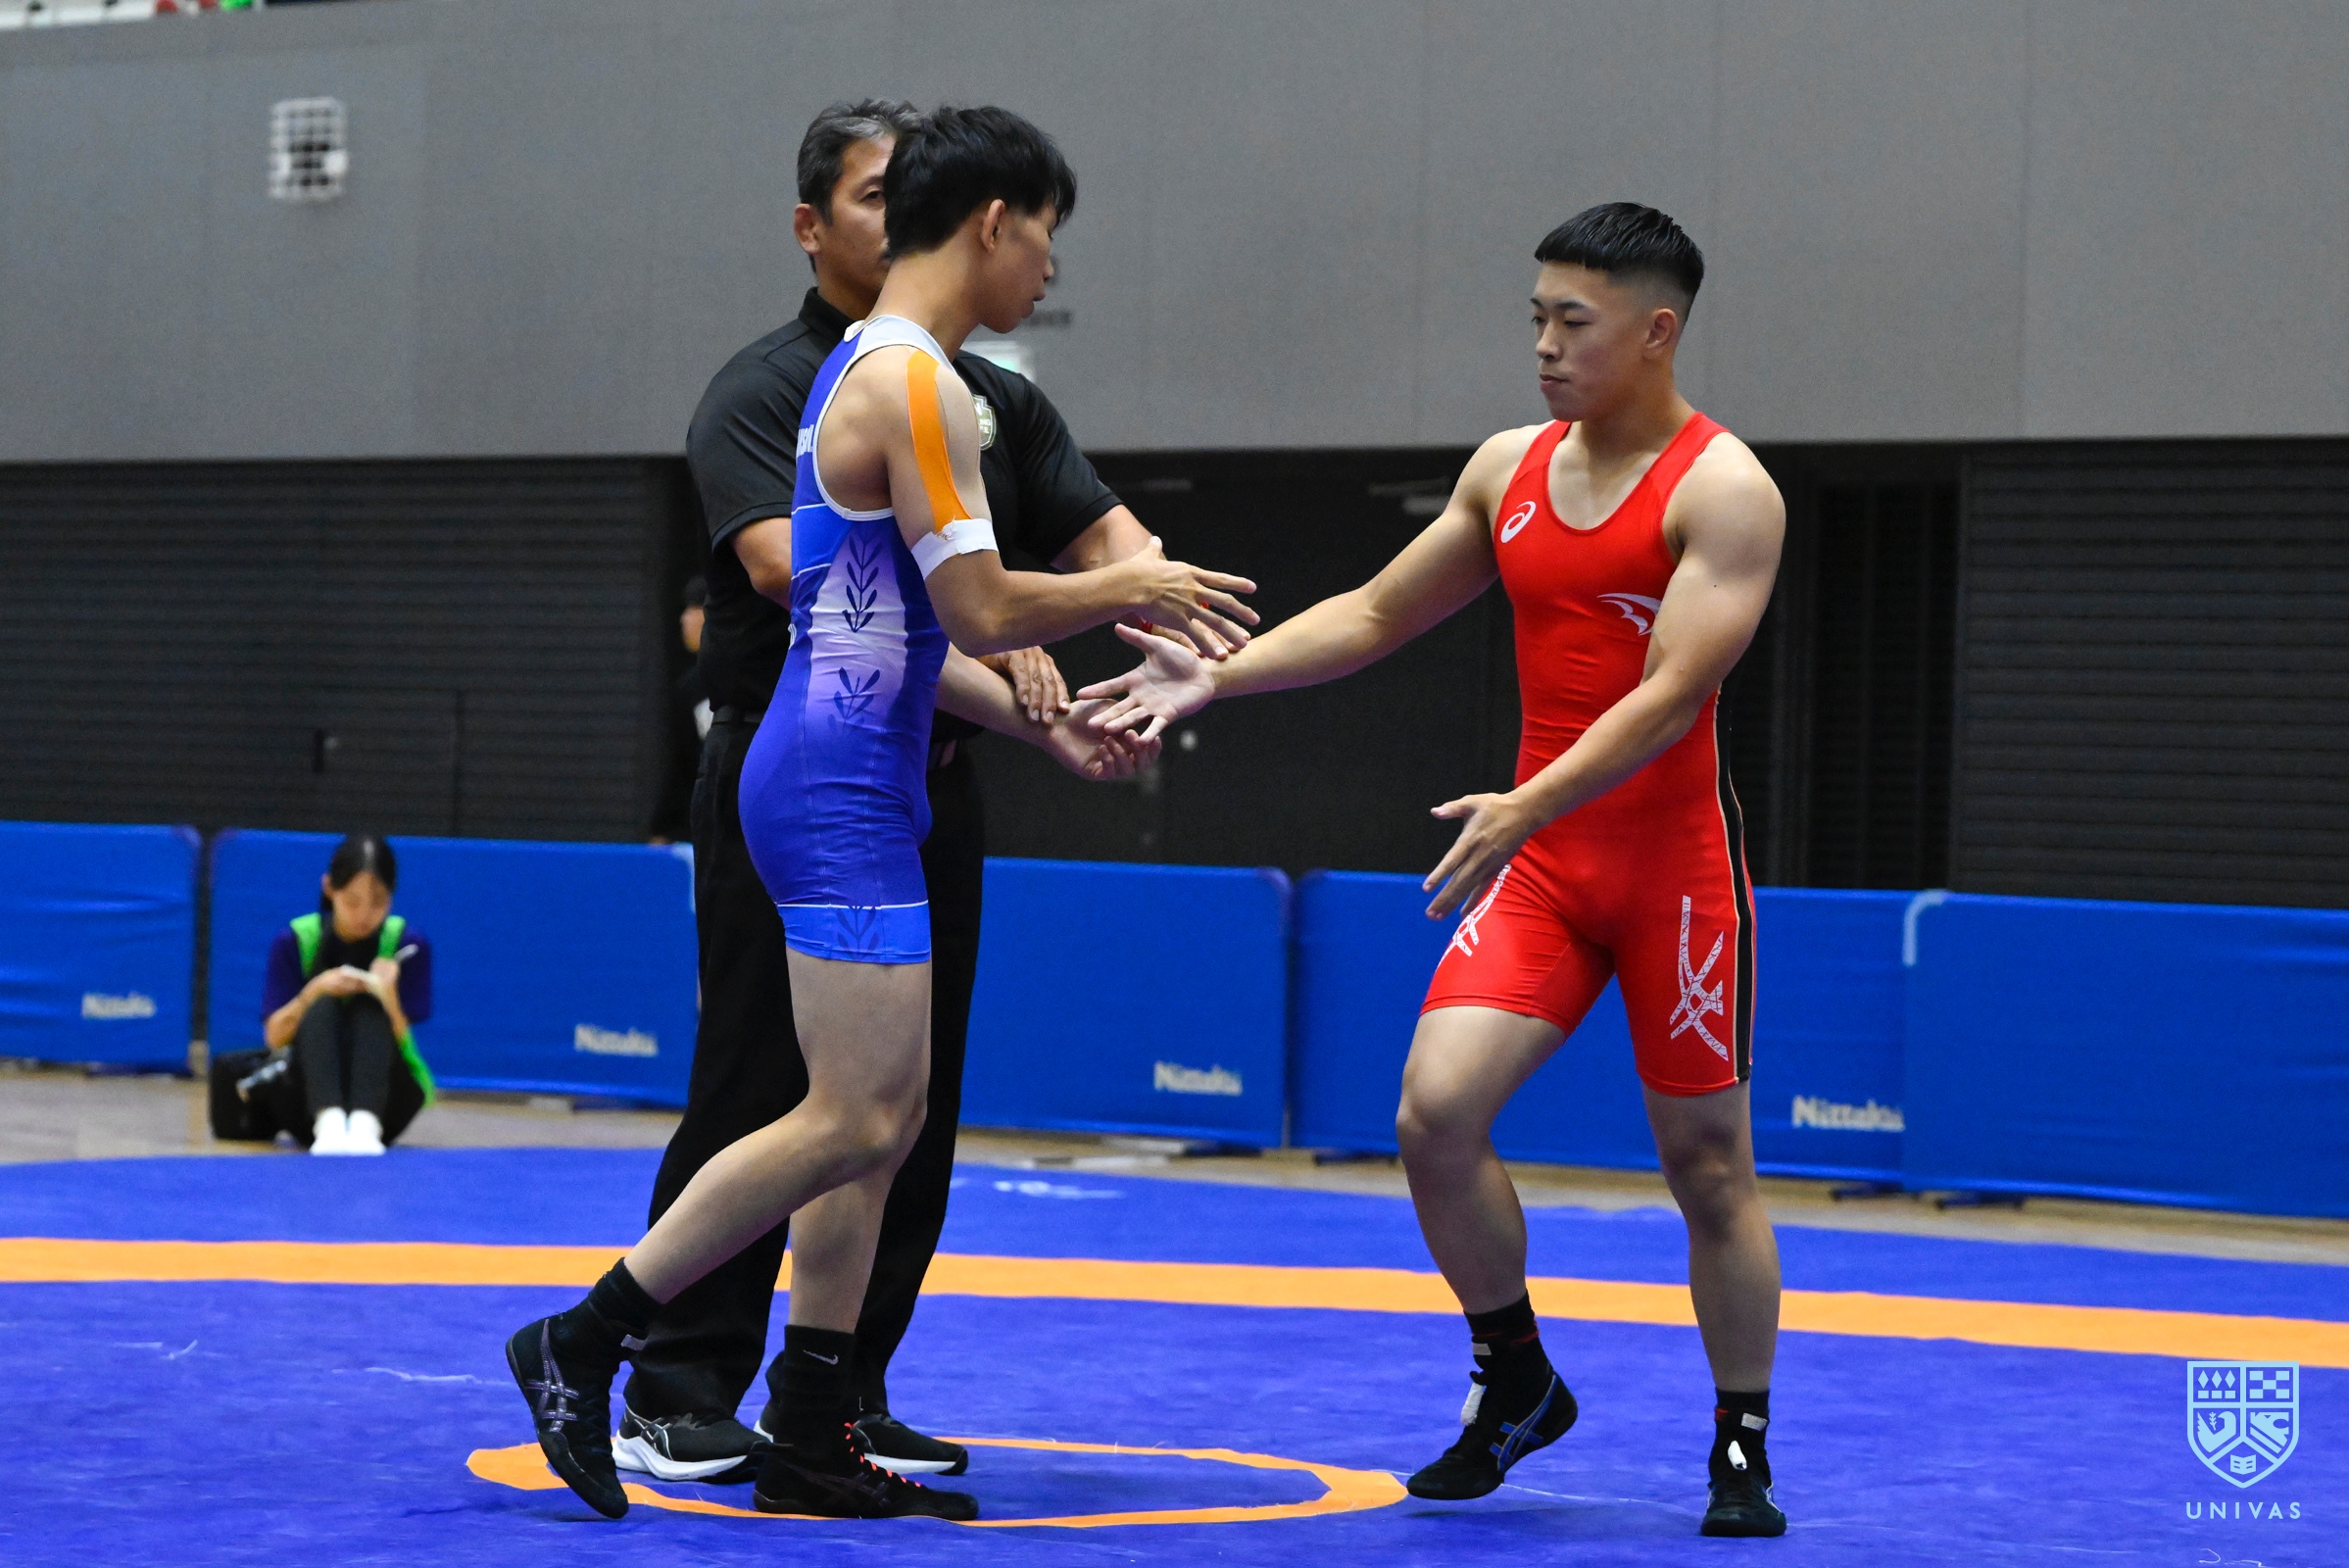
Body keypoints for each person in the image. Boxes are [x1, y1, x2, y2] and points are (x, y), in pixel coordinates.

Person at [505, 103, 1256, 1524]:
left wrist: (1047, 718)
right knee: (850, 1115)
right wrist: (1133, 589)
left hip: (856, 765)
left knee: (881, 1121)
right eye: (1045, 236)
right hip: (836, 787)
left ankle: (809, 1422)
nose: (1048, 269)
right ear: (992, 224)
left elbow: (885, 633)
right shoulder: (911, 383)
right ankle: (586, 1339)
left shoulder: (888, 367)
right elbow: (981, 606)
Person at [1080, 204, 1789, 1538]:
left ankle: (1740, 1439)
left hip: (1671, 872)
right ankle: (1514, 1372)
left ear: (1657, 332)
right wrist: (1218, 677)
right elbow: (1372, 614)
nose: (1544, 345)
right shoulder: (1507, 472)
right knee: (1434, 1115)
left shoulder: (1724, 491)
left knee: (1707, 1163)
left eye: (1572, 322)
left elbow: (1670, 696)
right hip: (1542, 856)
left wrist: (1527, 802)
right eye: (1535, 317)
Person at [257, 833, 435, 1155]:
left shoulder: (407, 945)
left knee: (369, 1007)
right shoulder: (294, 940)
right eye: (352, 901)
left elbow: (406, 1042)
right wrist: (312, 992)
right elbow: (274, 1038)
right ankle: (329, 1120)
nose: (364, 915)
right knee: (324, 1005)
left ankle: (366, 1123)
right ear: (329, 888)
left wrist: (388, 996)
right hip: (304, 1107)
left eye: (378, 902)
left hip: (387, 1107)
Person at [647, 576, 710, 845]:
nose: (684, 619)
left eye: (693, 609)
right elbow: (681, 767)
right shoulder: (689, 689)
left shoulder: (749, 680)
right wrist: (663, 828)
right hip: (701, 829)